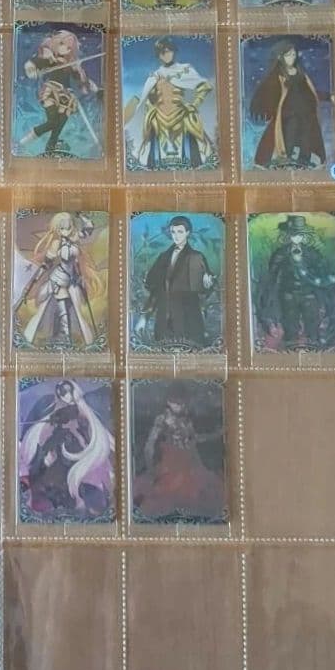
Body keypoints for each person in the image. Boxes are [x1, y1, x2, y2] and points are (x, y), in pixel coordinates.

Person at [19, 379, 114, 518]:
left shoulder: (81, 412)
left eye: (66, 392)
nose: (64, 395)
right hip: (61, 444)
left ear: (73, 392)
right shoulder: (60, 411)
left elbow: (80, 427)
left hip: (76, 448)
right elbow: (55, 424)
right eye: (61, 393)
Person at [132, 381, 225, 521]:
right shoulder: (162, 419)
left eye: (183, 403)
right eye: (177, 403)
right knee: (172, 490)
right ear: (168, 402)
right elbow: (150, 445)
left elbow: (194, 438)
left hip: (192, 460)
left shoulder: (186, 419)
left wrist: (215, 435)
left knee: (202, 490)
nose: (181, 406)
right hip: (172, 461)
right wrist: (150, 468)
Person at [123, 37, 214, 168]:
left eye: (169, 51)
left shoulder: (185, 69)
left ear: (173, 51)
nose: (166, 54)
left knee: (192, 153)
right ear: (159, 55)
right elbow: (143, 98)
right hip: (159, 120)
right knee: (154, 156)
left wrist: (195, 104)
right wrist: (151, 99)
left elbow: (204, 86)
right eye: (162, 52)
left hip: (181, 117)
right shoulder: (155, 76)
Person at [256, 214, 335, 349]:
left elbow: (321, 272)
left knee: (312, 325)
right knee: (290, 325)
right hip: (288, 295)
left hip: (310, 295)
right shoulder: (281, 253)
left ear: (304, 235)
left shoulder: (313, 254)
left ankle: (315, 349)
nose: (296, 237)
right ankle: (290, 351)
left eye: (299, 234)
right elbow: (272, 276)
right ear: (288, 235)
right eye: (293, 234)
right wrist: (268, 296)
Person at [16, 212, 103, 348]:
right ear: (58, 229)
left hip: (72, 279)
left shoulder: (74, 238)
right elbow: (47, 263)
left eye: (68, 227)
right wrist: (36, 278)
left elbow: (88, 229)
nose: (65, 231)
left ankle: (73, 337)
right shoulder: (56, 244)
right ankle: (64, 336)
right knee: (61, 307)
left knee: (75, 308)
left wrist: (82, 217)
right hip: (59, 279)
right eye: (62, 228)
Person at [16, 29, 100, 157]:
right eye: (62, 44)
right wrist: (32, 70)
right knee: (52, 122)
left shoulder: (71, 64)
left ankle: (50, 149)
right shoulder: (51, 59)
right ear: (55, 43)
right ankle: (24, 141)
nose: (66, 48)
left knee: (58, 128)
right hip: (52, 90)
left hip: (67, 95)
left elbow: (81, 80)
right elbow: (35, 64)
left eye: (69, 47)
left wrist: (85, 80)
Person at [137, 215, 215, 348]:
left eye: (180, 232)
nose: (176, 236)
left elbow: (203, 290)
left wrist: (208, 285)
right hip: (164, 318)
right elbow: (155, 288)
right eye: (173, 232)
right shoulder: (163, 257)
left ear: (188, 233)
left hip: (188, 319)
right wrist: (144, 318)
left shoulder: (196, 257)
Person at [249, 39, 326, 168]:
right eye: (288, 55)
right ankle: (287, 160)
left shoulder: (301, 74)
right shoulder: (277, 76)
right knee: (289, 136)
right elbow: (266, 92)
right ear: (280, 57)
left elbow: (311, 91)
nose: (292, 58)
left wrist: (328, 96)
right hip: (288, 115)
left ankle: (304, 160)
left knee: (306, 138)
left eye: (294, 54)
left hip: (306, 113)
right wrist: (263, 106)